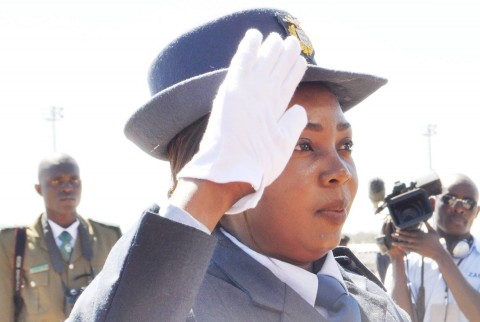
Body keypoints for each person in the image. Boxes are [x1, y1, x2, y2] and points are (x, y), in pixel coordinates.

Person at [68, 8, 410, 322]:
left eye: (345, 145)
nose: (340, 171)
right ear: (215, 158)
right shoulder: (182, 309)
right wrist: (206, 193)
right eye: (302, 145)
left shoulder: (372, 300)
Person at [0, 152, 122, 322]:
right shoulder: (12, 244)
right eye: (56, 181)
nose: (67, 187)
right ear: (39, 189)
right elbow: (3, 311)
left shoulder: (110, 238)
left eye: (74, 180)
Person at [384, 173, 480, 322]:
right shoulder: (407, 259)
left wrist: (440, 256)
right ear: (433, 204)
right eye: (450, 199)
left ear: (477, 212)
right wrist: (397, 258)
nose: (460, 209)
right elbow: (398, 318)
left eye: (468, 203)